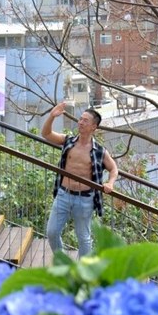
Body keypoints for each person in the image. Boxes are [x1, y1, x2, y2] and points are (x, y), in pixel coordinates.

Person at [41, 102, 118, 256]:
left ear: (93, 127)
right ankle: (62, 259)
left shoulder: (100, 151)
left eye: (85, 121)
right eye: (80, 119)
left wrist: (110, 183)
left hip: (85, 199)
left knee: (84, 238)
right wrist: (52, 116)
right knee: (52, 232)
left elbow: (113, 168)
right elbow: (46, 134)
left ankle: (81, 273)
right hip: (64, 194)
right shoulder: (68, 141)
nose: (80, 122)